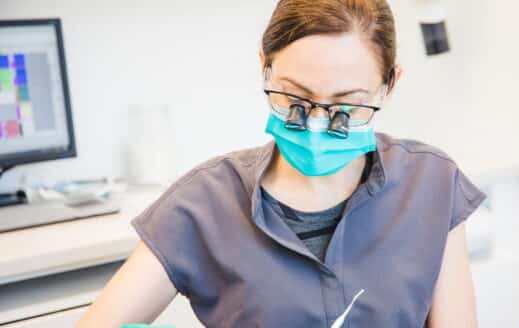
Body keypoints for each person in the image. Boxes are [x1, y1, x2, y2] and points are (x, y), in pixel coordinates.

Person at [77, 0, 486, 327]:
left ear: (389, 83)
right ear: (264, 66)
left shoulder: (431, 184)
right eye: (294, 101)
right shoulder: (203, 203)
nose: (316, 126)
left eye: (347, 107)